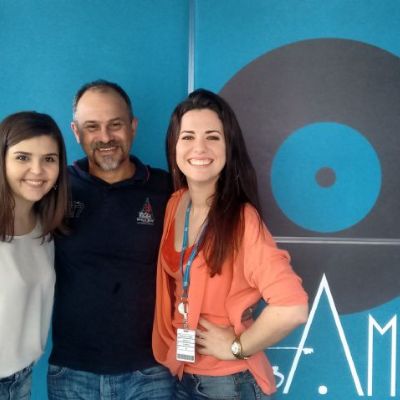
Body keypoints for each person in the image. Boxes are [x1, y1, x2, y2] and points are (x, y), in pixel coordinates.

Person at [152, 89, 309, 399]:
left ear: (229, 147)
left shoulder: (241, 220)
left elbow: (292, 307)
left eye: (212, 137)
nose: (199, 147)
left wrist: (238, 347)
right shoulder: (176, 204)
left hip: (228, 383)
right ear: (174, 146)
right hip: (182, 374)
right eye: (188, 137)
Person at [47, 80, 174, 400]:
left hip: (151, 371)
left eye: (115, 124)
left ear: (133, 126)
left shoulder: (168, 189)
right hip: (71, 372)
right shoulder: (53, 188)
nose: (105, 137)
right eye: (92, 127)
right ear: (76, 132)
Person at [0, 111, 69, 400]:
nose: (37, 170)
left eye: (49, 159)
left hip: (22, 379)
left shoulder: (45, 226)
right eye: (23, 157)